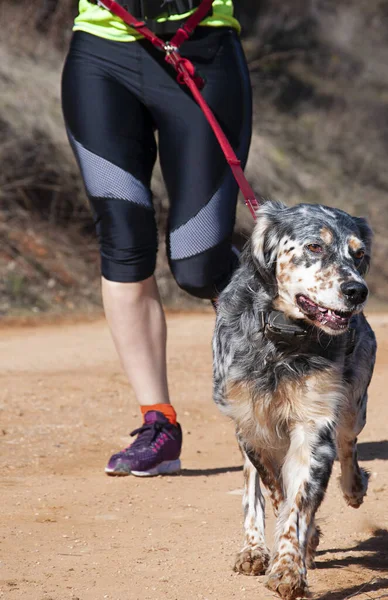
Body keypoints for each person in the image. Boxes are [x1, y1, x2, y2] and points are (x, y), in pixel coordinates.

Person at [60, 0, 252, 476]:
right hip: (101, 54)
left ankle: (270, 394)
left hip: (199, 44)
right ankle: (158, 424)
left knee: (199, 263)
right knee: (123, 241)